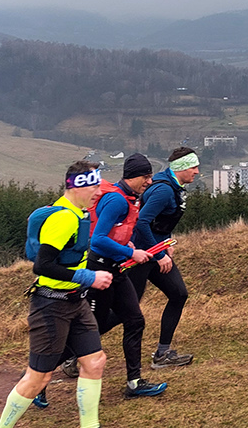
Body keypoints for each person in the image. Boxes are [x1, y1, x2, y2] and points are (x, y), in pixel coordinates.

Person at [0, 160, 131, 428]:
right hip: (50, 307)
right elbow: (42, 266)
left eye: (99, 187)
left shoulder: (81, 215)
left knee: (95, 361)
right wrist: (89, 277)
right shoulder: (62, 218)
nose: (97, 193)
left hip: (74, 303)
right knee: (38, 378)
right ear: (75, 185)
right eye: (92, 187)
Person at [52, 153, 167, 399]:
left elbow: (120, 232)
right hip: (99, 270)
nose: (149, 181)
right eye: (146, 177)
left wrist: (139, 246)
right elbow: (99, 240)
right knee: (94, 329)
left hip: (116, 270)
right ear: (134, 176)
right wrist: (131, 253)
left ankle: (134, 383)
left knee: (135, 320)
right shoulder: (117, 200)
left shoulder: (129, 197)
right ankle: (40, 375)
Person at [132, 146, 200, 368]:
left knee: (178, 294)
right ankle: (75, 354)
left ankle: (163, 353)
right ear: (181, 168)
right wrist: (159, 253)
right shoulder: (163, 191)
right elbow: (142, 222)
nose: (197, 172)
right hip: (140, 256)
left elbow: (160, 222)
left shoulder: (173, 185)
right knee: (123, 311)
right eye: (194, 167)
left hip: (153, 251)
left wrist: (166, 243)